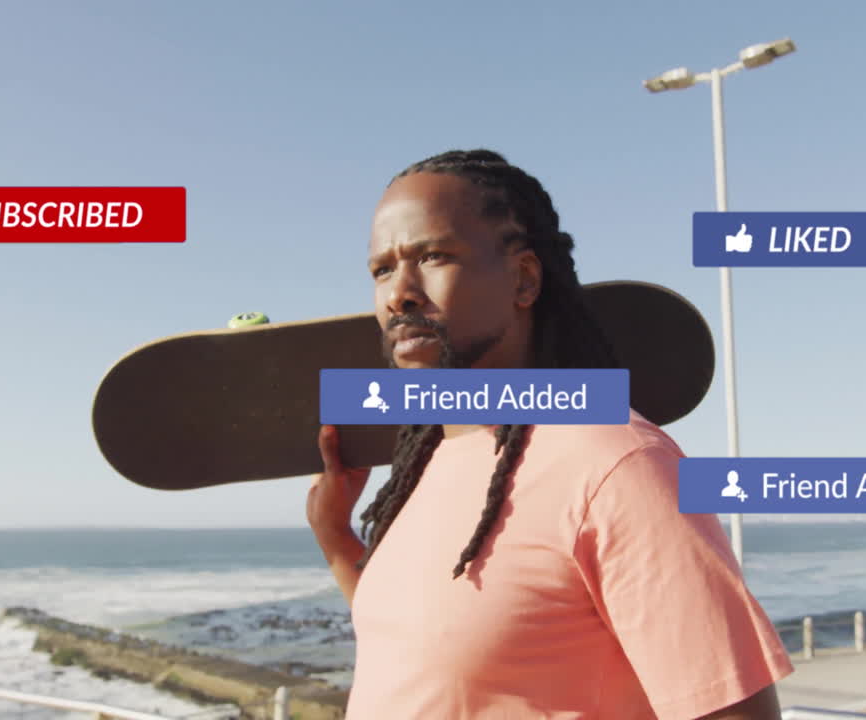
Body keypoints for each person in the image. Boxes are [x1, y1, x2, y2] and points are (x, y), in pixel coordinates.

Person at [306, 149, 793, 719]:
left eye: (433, 256)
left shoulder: (619, 464)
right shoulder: (432, 459)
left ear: (524, 279)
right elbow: (423, 651)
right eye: (382, 270)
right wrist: (337, 541)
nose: (399, 294)